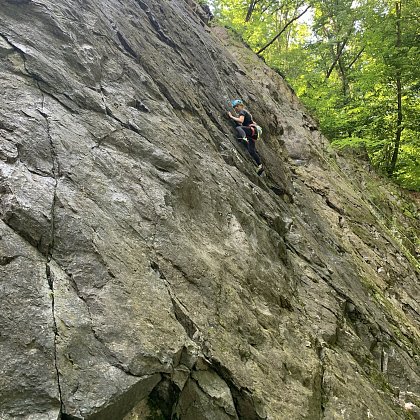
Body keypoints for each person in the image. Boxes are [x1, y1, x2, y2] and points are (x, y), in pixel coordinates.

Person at [228, 99, 263, 174]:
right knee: (251, 151)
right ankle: (260, 165)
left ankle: (244, 138)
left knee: (238, 128)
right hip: (253, 134)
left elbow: (240, 121)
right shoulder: (247, 113)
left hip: (251, 131)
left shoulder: (242, 112)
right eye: (234, 107)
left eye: (236, 106)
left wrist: (231, 117)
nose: (235, 108)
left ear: (241, 106)